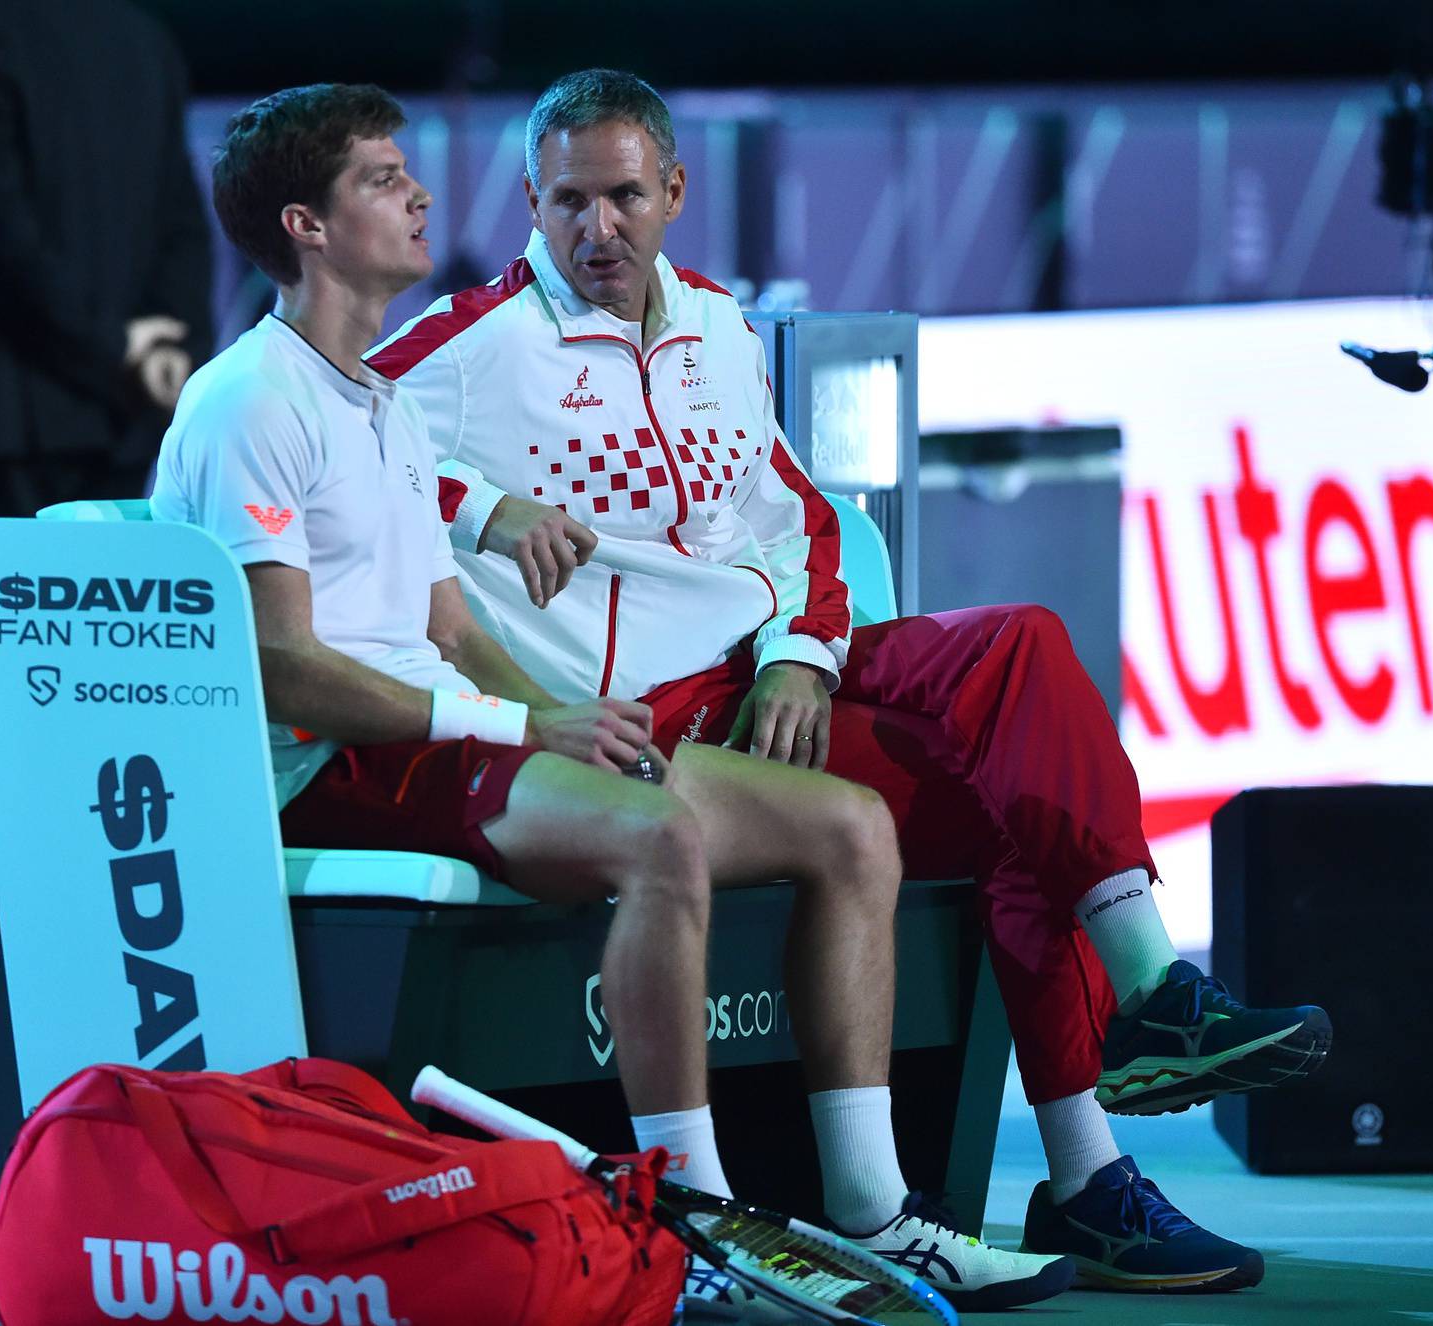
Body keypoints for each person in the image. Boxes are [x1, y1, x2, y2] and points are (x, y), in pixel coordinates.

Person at [371, 67, 1333, 1294]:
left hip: (756, 686)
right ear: (528, 199)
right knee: (990, 793)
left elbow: (805, 526)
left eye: (622, 197)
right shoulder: (466, 346)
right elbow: (322, 432)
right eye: (566, 202)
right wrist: (484, 507)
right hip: (631, 726)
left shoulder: (718, 328)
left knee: (1020, 665)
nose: (594, 230)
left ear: (673, 191)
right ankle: (1062, 1164)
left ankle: (1131, 1048)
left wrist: (797, 656)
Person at [150, 82, 1071, 1311]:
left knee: (853, 828)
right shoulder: (248, 399)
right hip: (337, 763)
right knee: (663, 836)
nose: (420, 196)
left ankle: (875, 1210)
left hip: (442, 736)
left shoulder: (371, 398)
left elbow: (444, 622)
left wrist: (558, 713)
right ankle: (691, 1226)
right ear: (306, 226)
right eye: (382, 179)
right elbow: (282, 664)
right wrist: (524, 722)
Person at [0, 0, 215, 592]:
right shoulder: (143, 35)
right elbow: (181, 225)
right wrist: (169, 355)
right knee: (93, 670)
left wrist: (117, 348)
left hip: (0, 422)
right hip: (120, 416)